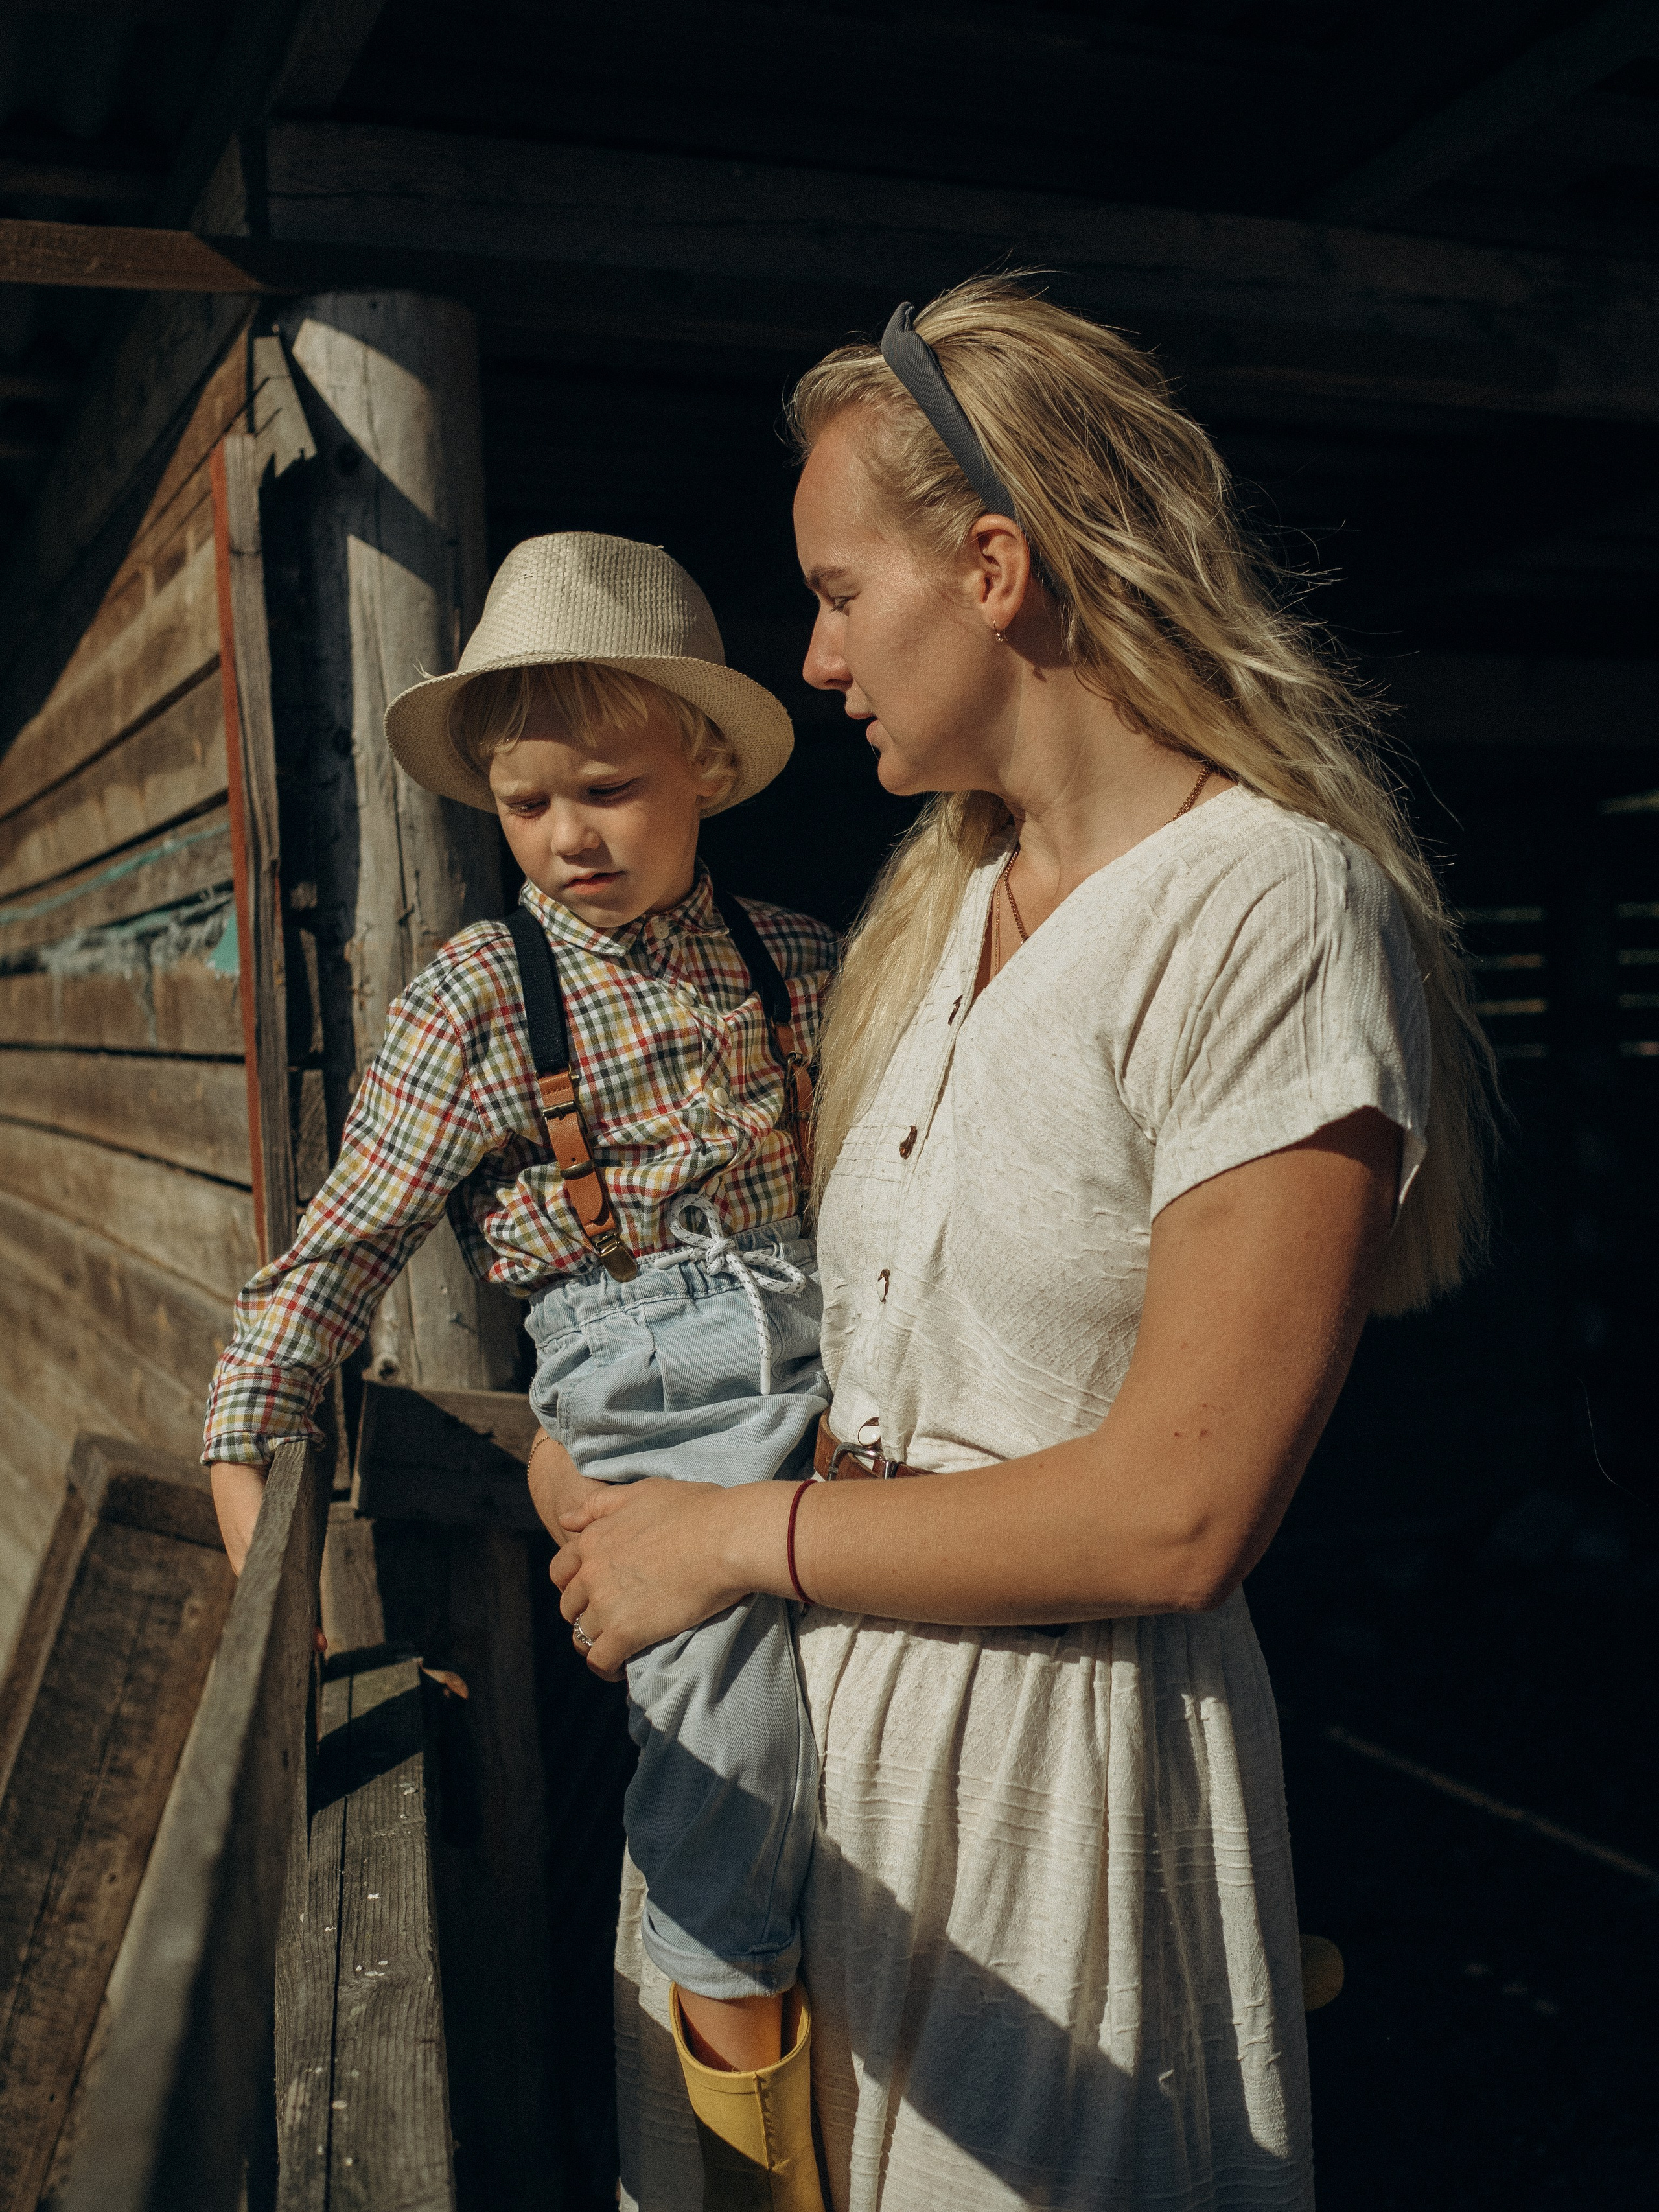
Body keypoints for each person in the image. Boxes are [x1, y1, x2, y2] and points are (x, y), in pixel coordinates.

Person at [541, 282, 1493, 2211]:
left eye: (836, 592)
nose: (815, 657)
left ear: (992, 569)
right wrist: (621, 1466)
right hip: (811, 1754)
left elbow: (1177, 1516)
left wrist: (726, 1539)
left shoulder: (1267, 906)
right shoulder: (937, 904)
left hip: (1051, 1779)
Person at [203, 533, 839, 2210]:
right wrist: (248, 1468)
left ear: (707, 771)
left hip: (842, 1360)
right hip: (652, 1402)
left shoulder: (804, 959)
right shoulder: (481, 1000)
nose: (568, 838)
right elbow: (336, 1255)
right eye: (527, 804)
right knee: (731, 1753)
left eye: (608, 791)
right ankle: (752, 2169)